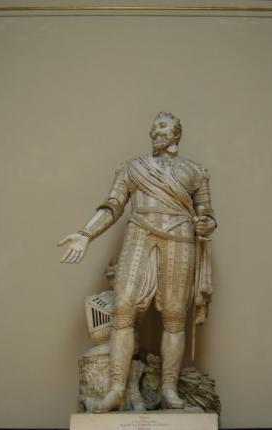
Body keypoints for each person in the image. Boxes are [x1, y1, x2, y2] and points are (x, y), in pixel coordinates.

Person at [58, 112, 216, 412]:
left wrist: (206, 223)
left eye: (164, 127)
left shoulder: (196, 172)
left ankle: (169, 390)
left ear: (176, 135)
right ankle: (116, 389)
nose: (157, 132)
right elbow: (112, 206)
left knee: (173, 316)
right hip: (140, 235)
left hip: (180, 239)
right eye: (154, 127)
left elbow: (207, 213)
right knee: (122, 310)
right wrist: (85, 234)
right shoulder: (132, 169)